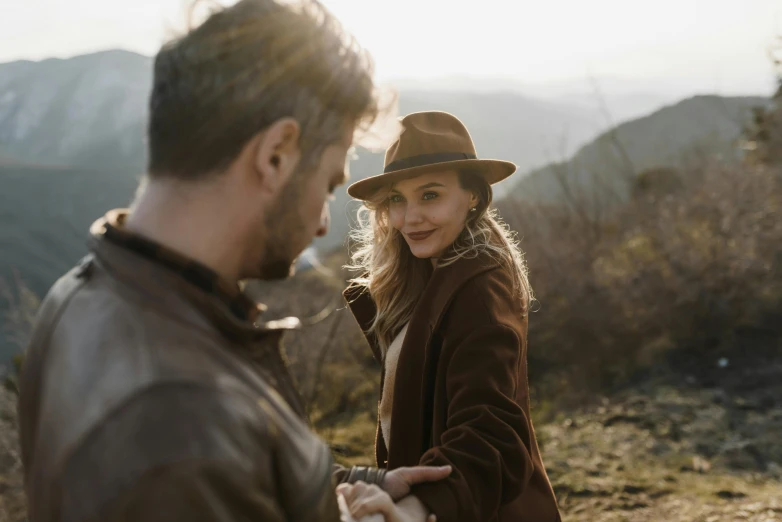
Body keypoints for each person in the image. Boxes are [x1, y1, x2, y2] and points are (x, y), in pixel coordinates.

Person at [16, 2, 450, 521]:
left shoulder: (74, 296)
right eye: (330, 184)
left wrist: (359, 484)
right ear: (275, 155)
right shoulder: (178, 424)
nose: (320, 225)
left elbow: (242, 472)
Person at [337, 111, 562, 522]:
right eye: (397, 199)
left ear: (473, 196)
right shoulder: (422, 278)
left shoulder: (479, 287)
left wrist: (420, 507)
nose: (409, 218)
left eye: (430, 195)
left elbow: (492, 429)